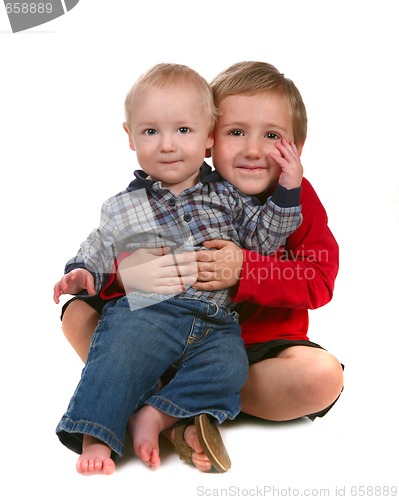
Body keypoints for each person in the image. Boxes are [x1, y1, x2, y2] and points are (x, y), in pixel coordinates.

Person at [53, 62, 303, 475]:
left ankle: (156, 414)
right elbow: (99, 245)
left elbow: (264, 239)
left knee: (230, 368)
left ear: (207, 138)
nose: (167, 145)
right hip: (149, 313)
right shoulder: (123, 206)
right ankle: (95, 434)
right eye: (151, 131)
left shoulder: (228, 196)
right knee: (117, 351)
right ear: (130, 137)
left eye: (183, 131)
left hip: (216, 322)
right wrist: (82, 271)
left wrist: (289, 190)